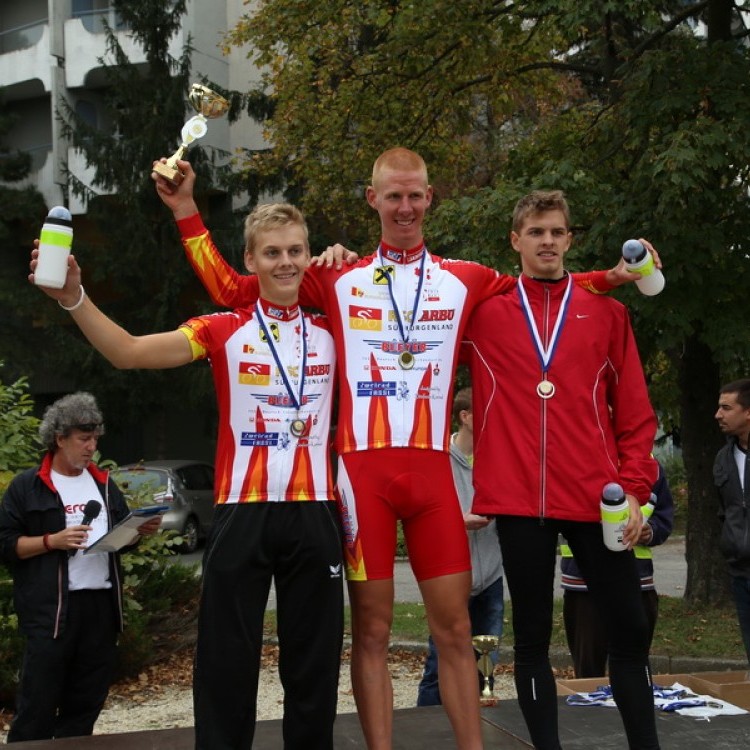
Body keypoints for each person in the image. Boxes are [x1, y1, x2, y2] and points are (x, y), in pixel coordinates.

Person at [154, 148, 650, 750]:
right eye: (394, 195)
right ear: (374, 201)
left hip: (430, 475)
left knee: (457, 627)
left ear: (429, 198)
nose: (405, 206)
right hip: (362, 478)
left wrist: (610, 279)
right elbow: (236, 288)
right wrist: (185, 211)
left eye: (415, 194)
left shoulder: (464, 278)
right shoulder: (335, 275)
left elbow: (541, 288)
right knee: (372, 630)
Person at [28, 202, 344, 749]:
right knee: (225, 665)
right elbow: (128, 353)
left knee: (314, 668)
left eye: (296, 250)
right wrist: (73, 298)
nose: (286, 262)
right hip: (241, 511)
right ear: (250, 259)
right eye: (272, 252)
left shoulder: (335, 323)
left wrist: (345, 261)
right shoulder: (223, 329)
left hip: (314, 509)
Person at [464, 189, 661, 749]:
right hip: (518, 500)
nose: (546, 241)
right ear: (516, 240)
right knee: (530, 637)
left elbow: (636, 416)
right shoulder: (484, 313)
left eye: (556, 232)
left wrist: (637, 493)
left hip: (597, 499)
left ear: (569, 238)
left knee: (629, 629)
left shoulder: (608, 311)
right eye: (535, 232)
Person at [0, 392, 162, 742]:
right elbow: (5, 544)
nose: (91, 447)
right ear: (59, 439)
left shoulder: (103, 484)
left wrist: (137, 532)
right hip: (52, 612)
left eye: (95, 439)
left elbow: (121, 535)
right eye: (83, 439)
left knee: (85, 704)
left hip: (100, 610)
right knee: (37, 705)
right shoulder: (27, 487)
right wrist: (50, 541)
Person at [416, 386, 504, 706]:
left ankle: (478, 724)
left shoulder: (495, 456)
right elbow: (422, 513)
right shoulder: (438, 458)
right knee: (439, 661)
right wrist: (459, 522)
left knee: (486, 664)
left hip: (491, 577)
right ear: (465, 417)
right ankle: (424, 727)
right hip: (452, 575)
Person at [560, 461, 674, 678]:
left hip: (638, 582)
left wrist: (649, 531)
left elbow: (664, 517)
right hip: (583, 585)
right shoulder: (577, 457)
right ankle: (591, 712)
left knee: (634, 666)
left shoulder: (650, 465)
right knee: (589, 673)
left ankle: (633, 711)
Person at [714, 378, 750, 665]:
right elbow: (725, 511)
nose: (718, 414)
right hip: (741, 571)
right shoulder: (724, 458)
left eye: (726, 408)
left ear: (747, 412)